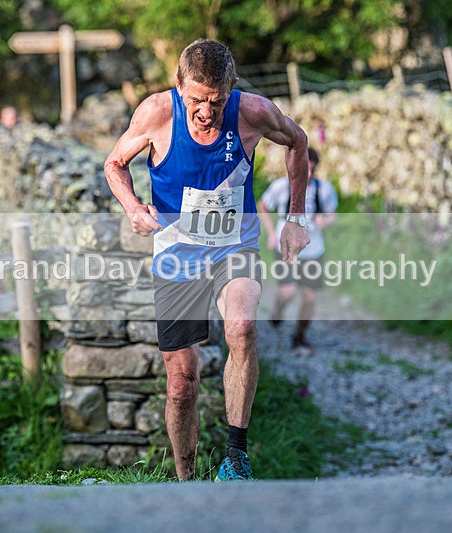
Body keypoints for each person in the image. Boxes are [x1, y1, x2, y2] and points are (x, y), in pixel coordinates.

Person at [104, 39, 310, 481]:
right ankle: (187, 480)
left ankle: (236, 458)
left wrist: (296, 217)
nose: (204, 111)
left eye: (215, 101)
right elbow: (115, 164)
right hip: (177, 256)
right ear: (178, 86)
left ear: (230, 89)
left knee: (242, 327)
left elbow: (297, 142)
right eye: (196, 99)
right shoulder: (156, 113)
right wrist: (134, 208)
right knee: (182, 382)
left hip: (234, 248)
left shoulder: (251, 111)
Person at [257, 147, 338, 354]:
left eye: (311, 170)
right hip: (287, 247)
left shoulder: (324, 189)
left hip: (313, 249)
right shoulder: (281, 187)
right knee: (288, 292)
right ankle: (278, 311)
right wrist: (271, 234)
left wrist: (324, 220)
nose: (308, 175)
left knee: (310, 297)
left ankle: (300, 336)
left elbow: (332, 214)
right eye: (304, 169)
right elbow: (263, 206)